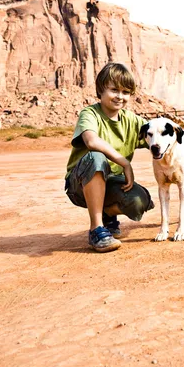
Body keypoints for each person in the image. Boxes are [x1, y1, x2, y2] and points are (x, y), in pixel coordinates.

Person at [65, 62, 154, 252]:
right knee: (96, 157)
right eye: (114, 90)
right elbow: (91, 141)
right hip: (79, 184)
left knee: (140, 201)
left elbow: (157, 136)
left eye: (125, 92)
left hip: (112, 183)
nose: (120, 97)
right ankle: (97, 230)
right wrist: (124, 163)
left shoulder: (133, 121)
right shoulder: (89, 114)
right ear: (101, 89)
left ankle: (107, 214)